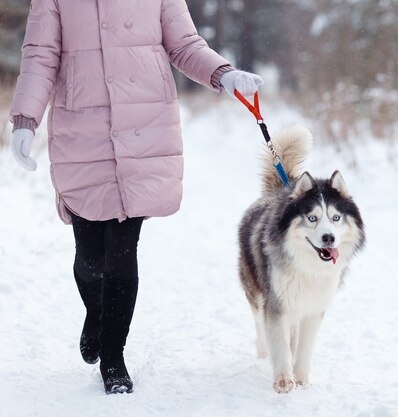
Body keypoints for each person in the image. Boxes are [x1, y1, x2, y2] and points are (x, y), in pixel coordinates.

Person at [9, 0, 262, 395]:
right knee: (90, 259)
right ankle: (96, 312)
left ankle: (114, 358)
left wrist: (222, 74)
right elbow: (42, 56)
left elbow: (184, 44)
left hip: (143, 127)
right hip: (83, 131)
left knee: (123, 252)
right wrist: (25, 120)